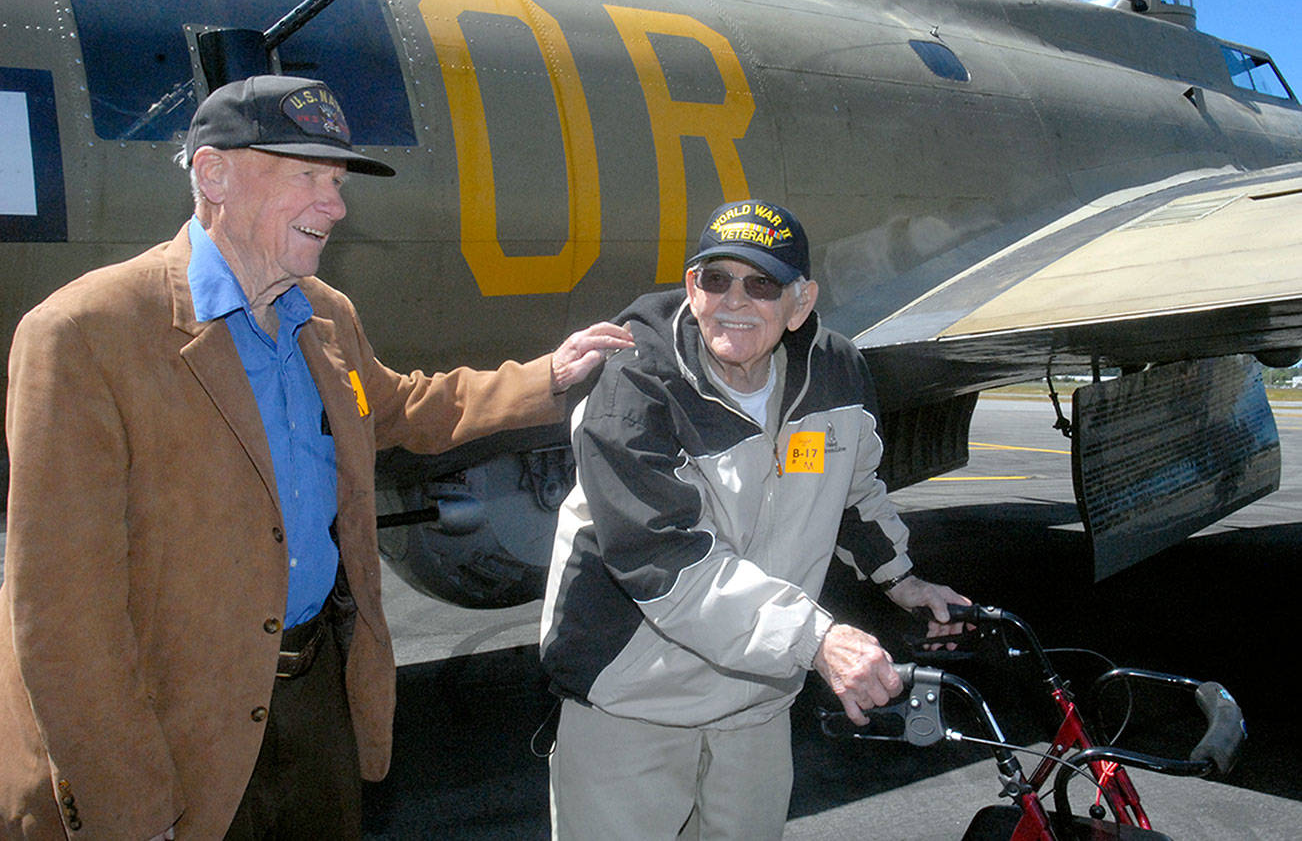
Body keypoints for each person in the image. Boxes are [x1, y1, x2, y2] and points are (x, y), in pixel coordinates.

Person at [0, 74, 633, 840]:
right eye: (307, 175)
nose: (335, 205)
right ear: (213, 175)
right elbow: (60, 618)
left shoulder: (325, 316)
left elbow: (399, 407)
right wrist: (128, 809)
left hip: (313, 701)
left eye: (336, 181)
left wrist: (549, 376)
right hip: (172, 717)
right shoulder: (84, 334)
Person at [539, 199, 968, 839]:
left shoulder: (836, 373)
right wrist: (817, 641)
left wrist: (903, 580)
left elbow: (852, 493)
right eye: (717, 279)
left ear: (800, 303)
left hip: (758, 701)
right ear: (692, 287)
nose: (734, 301)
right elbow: (666, 563)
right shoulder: (636, 385)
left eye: (761, 283)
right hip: (633, 704)